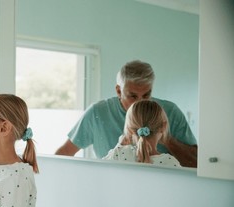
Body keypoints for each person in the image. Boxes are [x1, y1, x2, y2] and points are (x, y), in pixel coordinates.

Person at [55, 60, 198, 167]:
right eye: (133, 96)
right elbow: (64, 154)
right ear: (118, 91)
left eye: (146, 95)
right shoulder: (97, 113)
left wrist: (167, 139)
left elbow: (197, 164)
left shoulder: (171, 112)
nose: (139, 103)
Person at [103, 100, 181, 167]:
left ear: (129, 130)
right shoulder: (170, 162)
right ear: (163, 127)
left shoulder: (119, 154)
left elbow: (100, 170)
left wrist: (120, 145)